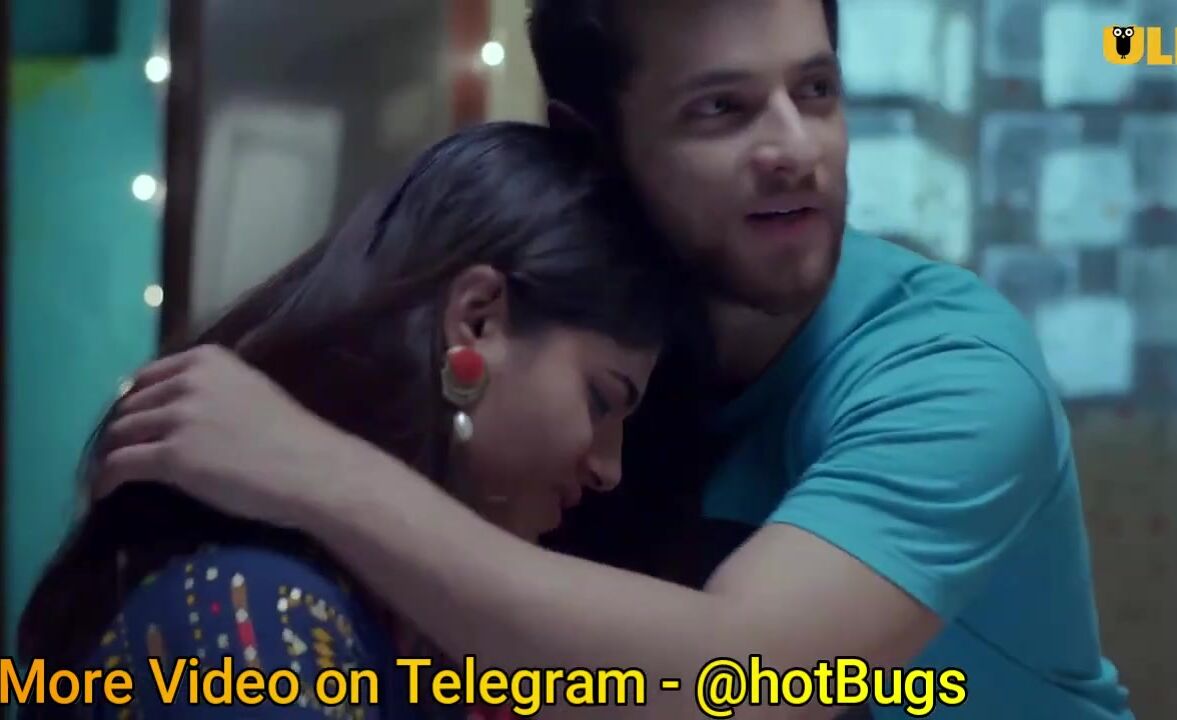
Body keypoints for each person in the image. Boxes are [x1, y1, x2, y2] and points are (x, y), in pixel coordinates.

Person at [94, 0, 1135, 718]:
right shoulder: (589, 374)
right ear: (592, 139)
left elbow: (750, 683)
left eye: (816, 91)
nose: (794, 148)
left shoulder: (944, 367)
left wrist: (313, 468)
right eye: (721, 108)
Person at [18, 121, 683, 718]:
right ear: (477, 320)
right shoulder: (251, 616)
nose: (609, 468)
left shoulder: (417, 633)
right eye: (601, 400)